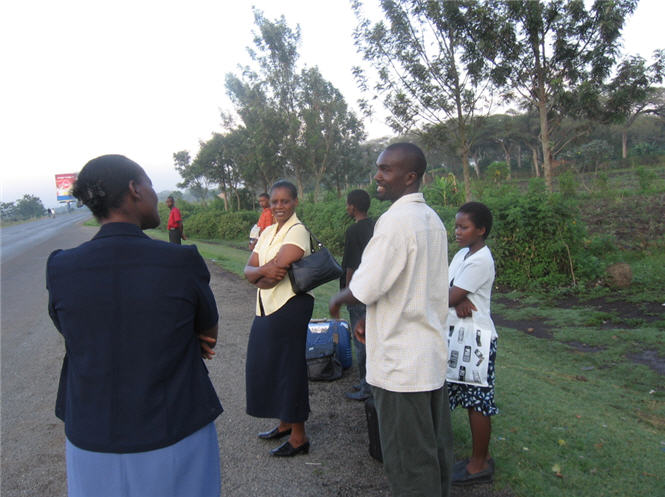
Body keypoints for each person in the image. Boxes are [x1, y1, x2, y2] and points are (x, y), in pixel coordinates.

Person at [46, 155, 223, 497]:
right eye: (151, 184)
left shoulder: (61, 267)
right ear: (134, 190)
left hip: (90, 437)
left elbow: (73, 333)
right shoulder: (180, 261)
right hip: (175, 430)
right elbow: (208, 334)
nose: (156, 194)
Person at [329, 143, 453, 496]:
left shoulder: (395, 221)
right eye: (378, 168)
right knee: (436, 453)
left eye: (386, 170)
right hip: (428, 359)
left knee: (409, 462)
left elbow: (365, 285)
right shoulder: (431, 219)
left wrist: (339, 297)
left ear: (410, 177)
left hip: (401, 368)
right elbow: (408, 283)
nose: (377, 176)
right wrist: (373, 316)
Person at [243, 180, 313, 457]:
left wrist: (255, 273)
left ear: (295, 202)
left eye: (285, 201)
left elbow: (278, 270)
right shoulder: (269, 230)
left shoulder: (298, 231)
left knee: (289, 369)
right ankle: (284, 423)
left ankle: (299, 437)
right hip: (266, 306)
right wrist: (254, 273)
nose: (279, 206)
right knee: (269, 366)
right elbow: (251, 266)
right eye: (275, 201)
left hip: (289, 307)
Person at [447, 201, 498, 486]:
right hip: (459, 337)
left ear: (481, 230)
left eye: (464, 227)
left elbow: (447, 296)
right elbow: (446, 287)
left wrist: (457, 296)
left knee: (477, 402)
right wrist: (458, 295)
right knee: (467, 399)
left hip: (476, 341)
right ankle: (476, 459)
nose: (457, 231)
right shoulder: (462, 254)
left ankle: (479, 464)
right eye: (456, 226)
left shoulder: (481, 260)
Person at [340, 189, 374, 401]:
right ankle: (368, 382)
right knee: (372, 338)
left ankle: (366, 387)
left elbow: (351, 264)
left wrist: (348, 293)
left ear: (353, 206)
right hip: (373, 290)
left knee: (360, 340)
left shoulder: (353, 231)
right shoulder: (376, 226)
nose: (347, 208)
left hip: (359, 292)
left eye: (347, 204)